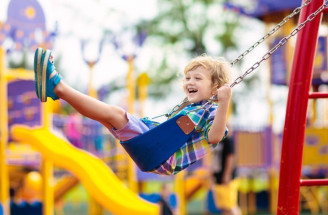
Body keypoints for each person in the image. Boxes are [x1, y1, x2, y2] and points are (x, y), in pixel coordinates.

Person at [34, 47, 232, 175]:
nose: (190, 82)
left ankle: (58, 86)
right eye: (187, 78)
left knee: (115, 114)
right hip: (154, 147)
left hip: (161, 154)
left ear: (215, 88)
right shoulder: (193, 108)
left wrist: (224, 103)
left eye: (197, 78)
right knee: (105, 116)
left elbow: (215, 137)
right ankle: (56, 91)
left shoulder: (212, 111)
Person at [211, 126, 241, 215]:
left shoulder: (228, 141)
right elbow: (215, 158)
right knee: (224, 207)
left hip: (227, 177)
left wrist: (227, 174)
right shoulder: (217, 142)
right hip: (218, 176)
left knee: (230, 205)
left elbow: (230, 158)